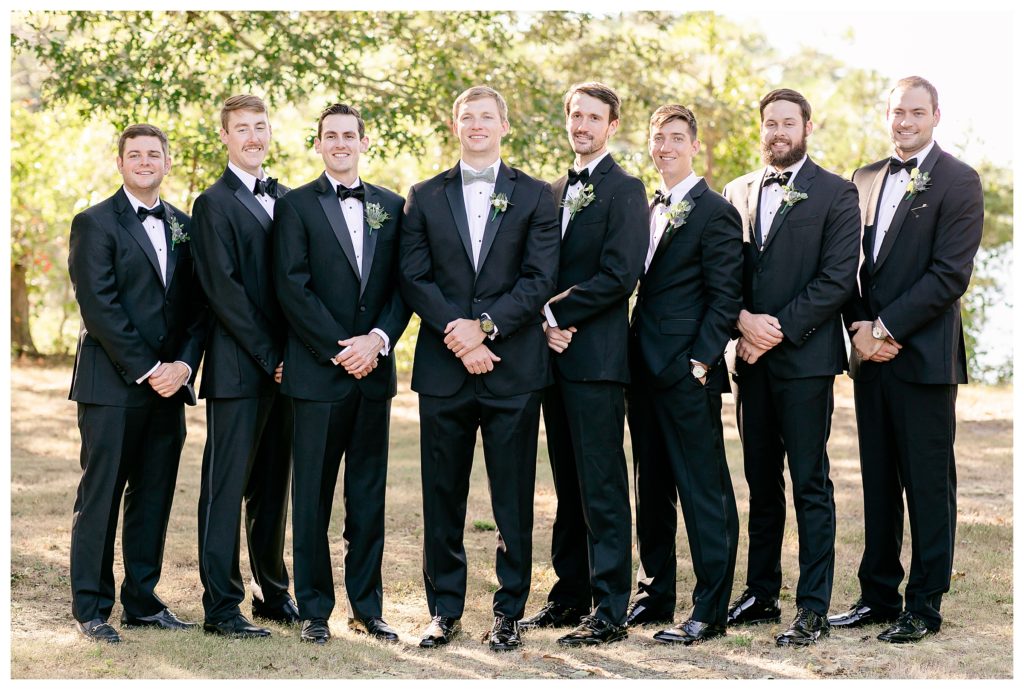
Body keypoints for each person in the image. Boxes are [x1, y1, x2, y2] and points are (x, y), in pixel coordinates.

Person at [399, 85, 559, 651]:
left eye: (486, 117)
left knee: (512, 496)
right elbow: (414, 278)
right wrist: (460, 336)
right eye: (467, 117)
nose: (476, 125)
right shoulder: (422, 195)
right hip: (444, 371)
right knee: (443, 493)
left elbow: (540, 279)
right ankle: (444, 610)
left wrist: (485, 328)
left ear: (503, 126)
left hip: (513, 368)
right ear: (455, 125)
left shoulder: (537, 196)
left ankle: (508, 611)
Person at [828, 76, 984, 644]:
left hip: (923, 358)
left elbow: (950, 275)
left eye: (917, 112)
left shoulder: (960, 180)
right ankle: (876, 595)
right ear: (884, 115)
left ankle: (923, 604)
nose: (905, 121)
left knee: (926, 484)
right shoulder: (863, 178)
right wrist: (859, 330)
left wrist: (888, 327)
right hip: (871, 357)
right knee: (877, 480)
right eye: (897, 112)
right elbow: (848, 266)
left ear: (936, 115)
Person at [722, 88, 860, 647]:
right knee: (760, 480)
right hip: (748, 362)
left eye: (788, 123)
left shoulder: (837, 193)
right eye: (770, 123)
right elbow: (722, 272)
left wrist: (771, 331)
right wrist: (740, 321)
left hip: (803, 361)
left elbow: (835, 279)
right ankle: (760, 593)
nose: (778, 132)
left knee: (809, 481)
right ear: (761, 129)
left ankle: (813, 606)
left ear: (807, 127)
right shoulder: (735, 191)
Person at [273, 103, 411, 645]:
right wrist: (339, 348)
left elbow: (405, 286)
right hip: (317, 375)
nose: (340, 143)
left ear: (364, 141)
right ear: (318, 144)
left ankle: (367, 607)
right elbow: (292, 285)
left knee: (367, 498)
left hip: (373, 375)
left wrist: (376, 341)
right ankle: (314, 609)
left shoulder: (392, 205)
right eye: (330, 136)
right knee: (311, 498)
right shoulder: (295, 206)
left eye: (348, 135)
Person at [520, 82, 647, 647]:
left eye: (594, 117)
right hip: (551, 359)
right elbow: (537, 268)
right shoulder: (549, 193)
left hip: (595, 360)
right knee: (567, 485)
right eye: (575, 115)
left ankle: (611, 606)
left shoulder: (626, 190)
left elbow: (622, 274)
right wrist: (542, 322)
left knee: (602, 484)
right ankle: (568, 595)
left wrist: (558, 312)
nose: (582, 125)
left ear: (612, 126)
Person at [67, 124, 205, 643]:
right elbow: (98, 306)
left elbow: (198, 308)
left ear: (167, 162)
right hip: (112, 385)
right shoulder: (95, 223)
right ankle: (92, 608)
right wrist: (150, 368)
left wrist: (184, 367)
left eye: (155, 154)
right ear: (120, 163)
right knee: (100, 495)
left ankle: (142, 601)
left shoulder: (185, 226)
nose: (146, 161)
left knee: (154, 496)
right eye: (136, 154)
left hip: (170, 388)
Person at [625, 104, 743, 645]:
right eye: (658, 138)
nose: (666, 146)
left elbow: (725, 298)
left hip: (685, 373)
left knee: (704, 491)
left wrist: (700, 361)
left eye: (676, 138)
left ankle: (709, 609)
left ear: (694, 145)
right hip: (640, 371)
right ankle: (654, 597)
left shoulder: (715, 211)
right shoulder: (648, 207)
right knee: (651, 489)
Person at [191, 94, 297, 638]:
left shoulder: (285, 196)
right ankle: (221, 606)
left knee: (273, 488)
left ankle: (272, 593)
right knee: (224, 488)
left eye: (261, 126)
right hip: (239, 368)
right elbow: (223, 292)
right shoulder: (213, 203)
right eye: (242, 129)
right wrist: (271, 357)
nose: (253, 136)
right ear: (226, 138)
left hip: (288, 371)